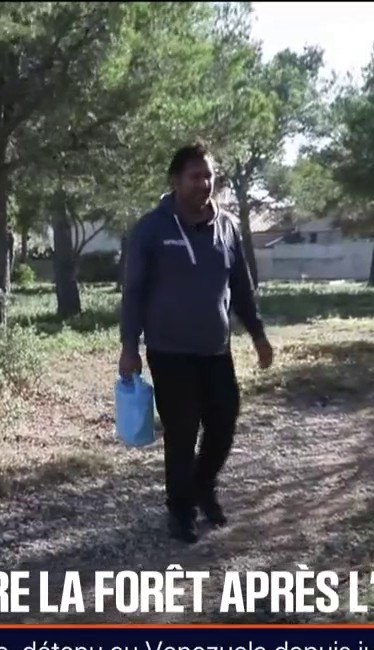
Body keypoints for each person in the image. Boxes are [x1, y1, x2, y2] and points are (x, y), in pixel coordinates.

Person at [119, 143, 273, 544]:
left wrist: (257, 334)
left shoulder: (227, 227)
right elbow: (133, 291)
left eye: (209, 176)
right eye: (195, 176)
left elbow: (241, 286)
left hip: (215, 349)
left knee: (224, 421)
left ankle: (203, 484)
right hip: (169, 351)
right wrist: (128, 346)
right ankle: (180, 510)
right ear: (175, 180)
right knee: (182, 430)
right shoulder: (152, 229)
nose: (204, 183)